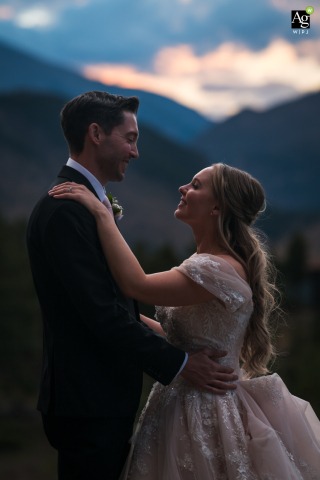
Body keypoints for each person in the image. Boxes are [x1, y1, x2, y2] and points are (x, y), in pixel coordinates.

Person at [49, 162, 320, 479]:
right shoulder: (209, 263)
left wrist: (101, 215)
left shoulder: (213, 268)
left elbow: (136, 285)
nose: (183, 188)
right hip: (182, 400)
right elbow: (180, 335)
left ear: (217, 206)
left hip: (202, 410)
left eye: (195, 185)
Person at [26, 91, 238, 480]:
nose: (135, 151)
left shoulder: (88, 204)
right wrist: (182, 364)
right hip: (87, 402)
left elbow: (115, 305)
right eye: (130, 138)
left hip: (101, 400)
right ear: (95, 134)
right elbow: (101, 314)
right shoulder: (64, 210)